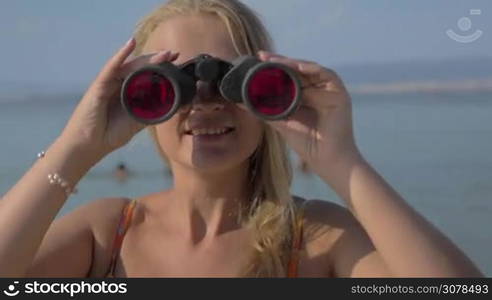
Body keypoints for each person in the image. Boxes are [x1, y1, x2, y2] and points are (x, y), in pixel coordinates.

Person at [0, 0, 483, 278]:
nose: (205, 101)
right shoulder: (108, 235)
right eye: (174, 82)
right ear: (139, 100)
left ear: (268, 87)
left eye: (232, 80)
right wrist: (76, 146)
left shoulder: (316, 241)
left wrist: (339, 158)